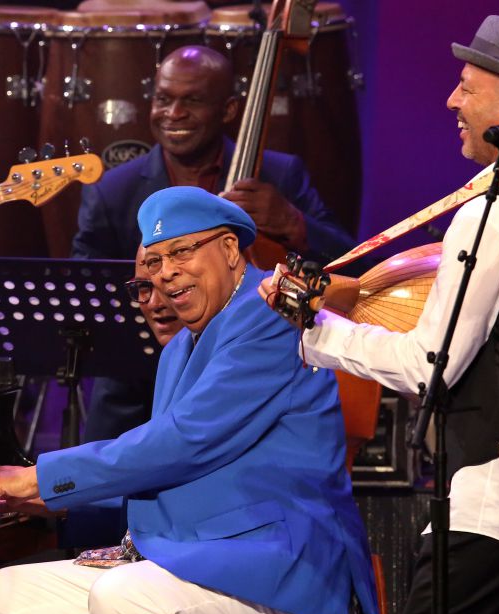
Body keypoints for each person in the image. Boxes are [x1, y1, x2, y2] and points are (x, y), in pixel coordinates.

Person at [261, 16, 499, 614]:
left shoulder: (495, 212)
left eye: (467, 87)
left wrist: (318, 327)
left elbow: (426, 366)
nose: (451, 101)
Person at [0, 186, 379, 614]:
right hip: (198, 559)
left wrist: (40, 477)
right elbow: (166, 479)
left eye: (181, 251)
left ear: (230, 249)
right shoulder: (179, 348)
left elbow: (183, 442)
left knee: (127, 596)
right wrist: (53, 506)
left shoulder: (271, 318)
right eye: (154, 263)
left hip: (288, 572)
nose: (166, 274)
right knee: (1, 597)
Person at [74, 44, 360, 446]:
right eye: (163, 99)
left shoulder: (281, 174)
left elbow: (354, 266)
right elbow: (88, 291)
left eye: (192, 101)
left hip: (250, 387)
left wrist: (294, 223)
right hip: (134, 395)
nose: (173, 114)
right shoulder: (113, 192)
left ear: (228, 110)